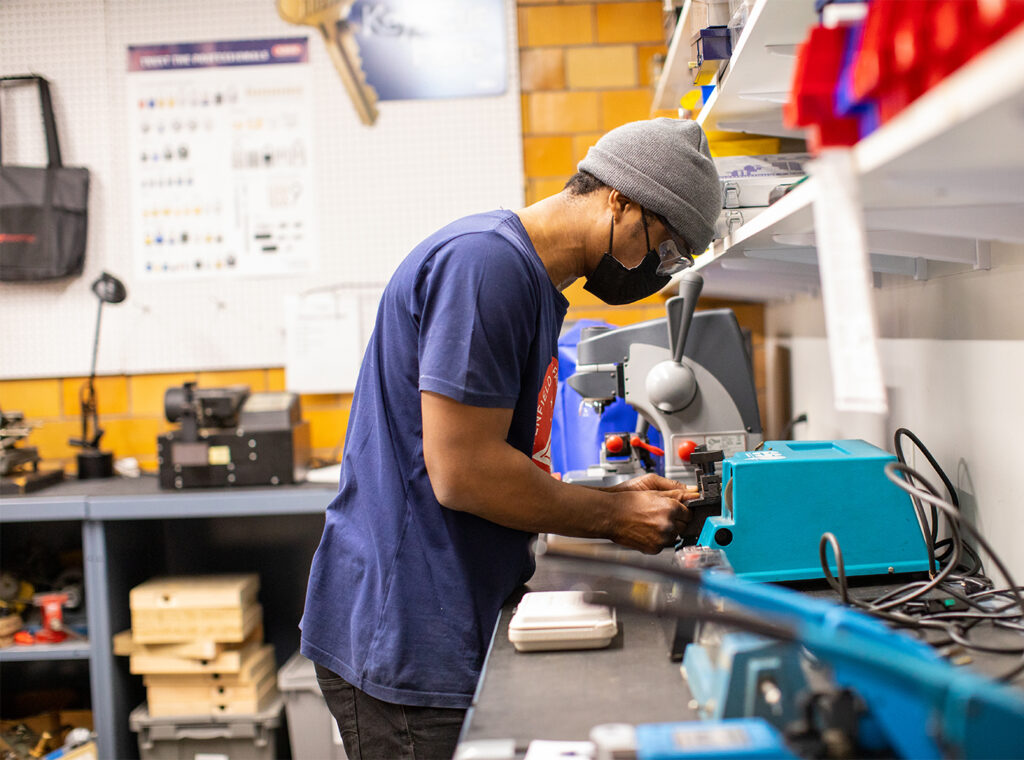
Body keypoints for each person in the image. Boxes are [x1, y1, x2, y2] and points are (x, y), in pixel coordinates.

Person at [300, 117, 722, 760]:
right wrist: (612, 516)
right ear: (621, 200)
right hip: (407, 635)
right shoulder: (486, 266)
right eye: (664, 250)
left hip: (446, 611)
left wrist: (619, 498)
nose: (659, 273)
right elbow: (463, 470)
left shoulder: (526, 280)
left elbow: (499, 454)